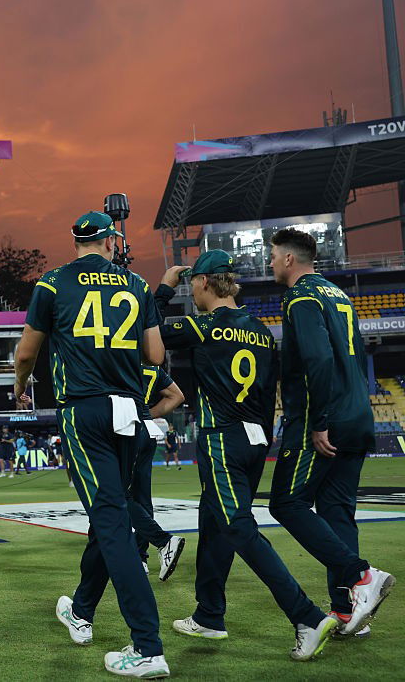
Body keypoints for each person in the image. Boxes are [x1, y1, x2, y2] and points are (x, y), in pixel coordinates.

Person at [160, 252, 337, 663]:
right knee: (215, 519)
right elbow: (268, 390)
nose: (192, 292)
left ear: (203, 282)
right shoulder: (260, 330)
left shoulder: (201, 325)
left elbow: (147, 331)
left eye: (193, 285)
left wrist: (165, 288)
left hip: (221, 438)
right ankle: (209, 615)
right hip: (256, 439)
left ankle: (306, 616)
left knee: (237, 527)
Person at [13, 210, 169, 676]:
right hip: (128, 409)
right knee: (112, 512)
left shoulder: (53, 282)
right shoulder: (137, 284)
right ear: (110, 241)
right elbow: (156, 355)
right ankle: (81, 609)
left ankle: (147, 645)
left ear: (78, 241)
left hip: (83, 409)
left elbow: (26, 351)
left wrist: (20, 384)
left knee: (112, 521)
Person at [266, 228, 394, 637]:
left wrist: (318, 420)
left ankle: (361, 576)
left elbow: (318, 360)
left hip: (324, 420)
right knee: (338, 511)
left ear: (289, 259)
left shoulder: (301, 296)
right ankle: (348, 611)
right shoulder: (340, 295)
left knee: (286, 504)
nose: (270, 263)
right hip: (358, 415)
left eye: (272, 257)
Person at [131, 365, 185, 581]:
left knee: (114, 494)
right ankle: (140, 558)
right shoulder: (153, 369)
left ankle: (162, 542)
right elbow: (177, 396)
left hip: (125, 429)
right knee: (142, 498)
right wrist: (147, 414)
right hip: (146, 429)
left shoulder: (120, 356)